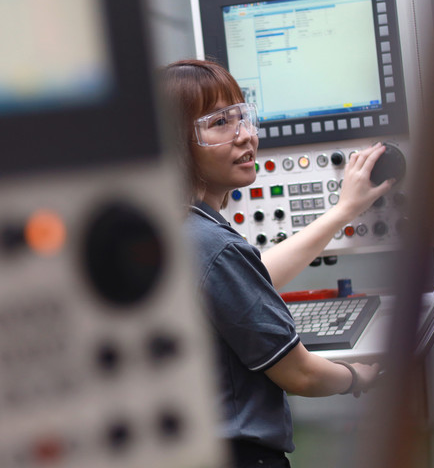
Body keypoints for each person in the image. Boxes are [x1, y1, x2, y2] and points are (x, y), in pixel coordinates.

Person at [161, 59, 394, 468]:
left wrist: (344, 210)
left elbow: (249, 279)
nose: (245, 136)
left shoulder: (180, 231)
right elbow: (300, 373)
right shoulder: (214, 246)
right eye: (220, 123)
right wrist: (358, 377)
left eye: (243, 117)